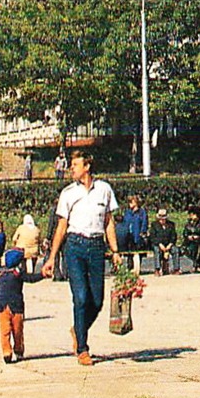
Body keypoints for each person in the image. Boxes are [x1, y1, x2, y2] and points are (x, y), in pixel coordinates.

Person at [43, 150, 123, 366]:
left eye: (75, 164)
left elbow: (108, 222)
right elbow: (61, 227)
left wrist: (115, 252)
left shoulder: (104, 190)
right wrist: (51, 258)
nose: (71, 168)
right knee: (80, 297)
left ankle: (78, 329)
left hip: (96, 247)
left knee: (96, 301)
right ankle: (82, 349)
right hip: (75, 246)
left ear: (87, 167)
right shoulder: (68, 193)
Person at [0, 249, 42, 364]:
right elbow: (31, 278)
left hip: (6, 305)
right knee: (15, 330)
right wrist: (42, 275)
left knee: (8, 331)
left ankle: (13, 350)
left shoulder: (3, 274)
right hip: (12, 306)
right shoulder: (16, 274)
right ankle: (9, 352)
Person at [119, 194, 149, 263]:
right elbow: (124, 223)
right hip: (128, 235)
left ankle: (136, 267)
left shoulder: (142, 212)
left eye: (131, 202)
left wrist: (142, 232)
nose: (129, 204)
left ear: (136, 203)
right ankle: (129, 266)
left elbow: (144, 223)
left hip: (137, 235)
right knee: (129, 252)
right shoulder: (127, 212)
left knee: (137, 252)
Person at [181, 205, 200, 273]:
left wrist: (199, 237)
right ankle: (197, 263)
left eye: (193, 214)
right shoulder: (188, 223)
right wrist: (188, 236)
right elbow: (185, 233)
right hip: (190, 242)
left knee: (198, 249)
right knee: (184, 250)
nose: (191, 216)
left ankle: (195, 264)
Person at [149, 208, 178, 275]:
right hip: (158, 244)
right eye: (160, 217)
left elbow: (173, 236)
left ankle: (176, 269)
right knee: (157, 250)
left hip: (168, 244)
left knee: (175, 250)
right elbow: (153, 237)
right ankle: (157, 269)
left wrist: (170, 244)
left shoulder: (171, 224)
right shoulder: (154, 225)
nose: (162, 219)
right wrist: (160, 244)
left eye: (163, 217)